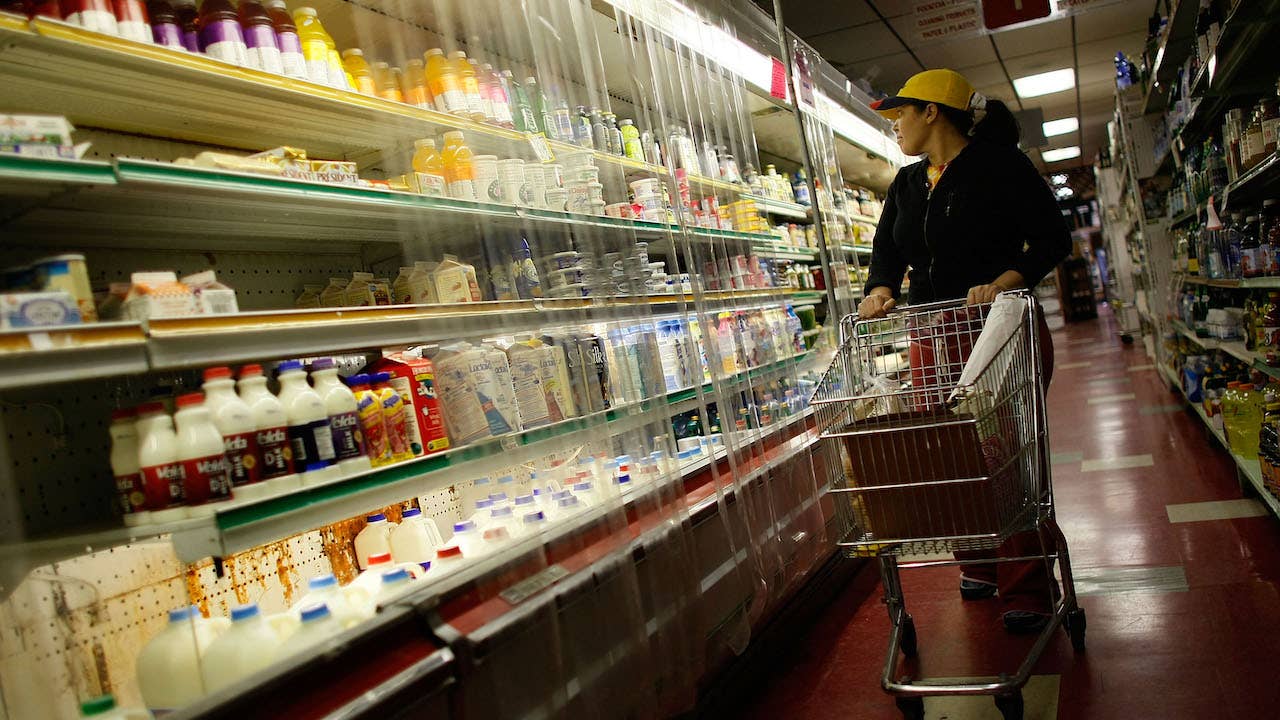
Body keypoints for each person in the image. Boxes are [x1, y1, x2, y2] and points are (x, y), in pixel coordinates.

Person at [859, 69, 1072, 634]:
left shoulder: (1001, 166)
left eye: (901, 113)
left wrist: (1004, 280)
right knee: (949, 452)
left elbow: (1052, 239)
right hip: (933, 332)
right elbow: (886, 253)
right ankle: (978, 562)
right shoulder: (907, 183)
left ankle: (1027, 583)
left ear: (932, 111)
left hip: (998, 331)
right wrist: (880, 289)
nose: (896, 125)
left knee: (1005, 452)